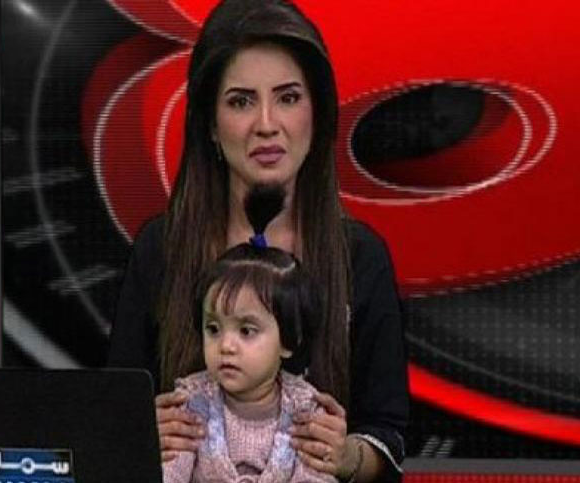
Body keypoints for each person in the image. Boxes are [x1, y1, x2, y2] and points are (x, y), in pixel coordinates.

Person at [108, 1, 409, 481]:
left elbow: (387, 438)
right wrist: (138, 434)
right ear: (210, 124)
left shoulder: (359, 257)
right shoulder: (161, 249)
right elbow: (110, 423)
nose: (266, 124)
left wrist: (347, 455)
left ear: (317, 113)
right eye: (241, 101)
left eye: (288, 98)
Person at [164, 184, 337, 483]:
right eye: (213, 329)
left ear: (289, 340)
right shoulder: (191, 404)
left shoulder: (307, 411)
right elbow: (169, 475)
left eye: (246, 330)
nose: (226, 346)